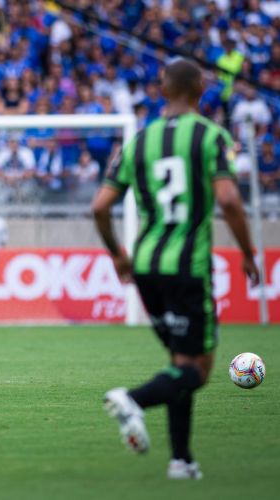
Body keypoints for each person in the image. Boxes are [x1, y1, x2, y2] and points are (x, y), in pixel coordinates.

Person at [92, 59, 259, 479]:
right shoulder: (210, 136)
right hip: (188, 266)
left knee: (180, 361)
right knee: (197, 370)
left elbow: (99, 207)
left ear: (162, 89)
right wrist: (249, 252)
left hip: (146, 264)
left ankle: (182, 460)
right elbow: (230, 201)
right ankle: (133, 399)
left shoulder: (138, 143)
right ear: (201, 88)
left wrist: (118, 254)